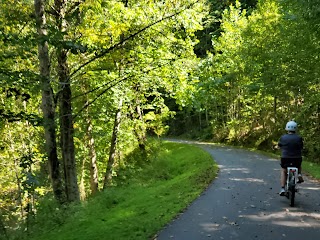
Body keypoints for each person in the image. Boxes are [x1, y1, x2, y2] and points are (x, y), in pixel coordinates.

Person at [278, 120, 304, 196]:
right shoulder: (299, 138)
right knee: (298, 165)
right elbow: (301, 147)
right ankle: (299, 173)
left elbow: (280, 146)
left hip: (285, 157)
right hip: (297, 158)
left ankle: (282, 188)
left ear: (287, 128)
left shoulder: (283, 137)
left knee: (283, 171)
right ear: (295, 128)